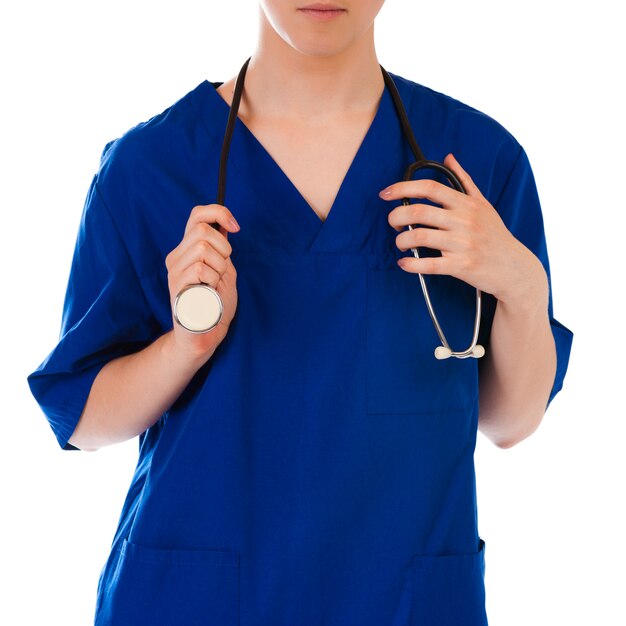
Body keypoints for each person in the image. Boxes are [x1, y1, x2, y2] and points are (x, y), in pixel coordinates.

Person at [26, 1, 574, 624]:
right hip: (195, 602)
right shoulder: (147, 167)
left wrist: (523, 290)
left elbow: (509, 423)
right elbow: (84, 420)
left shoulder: (477, 163)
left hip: (402, 598)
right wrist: (186, 345)